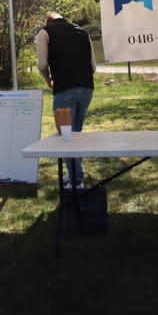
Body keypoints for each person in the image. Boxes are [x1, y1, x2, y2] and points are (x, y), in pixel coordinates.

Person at [37, 12, 98, 187]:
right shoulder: (83, 32)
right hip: (87, 87)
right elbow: (93, 66)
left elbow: (42, 65)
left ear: (48, 22)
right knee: (76, 134)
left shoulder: (45, 32)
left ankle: (77, 181)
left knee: (66, 136)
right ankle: (73, 174)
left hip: (65, 88)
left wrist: (49, 79)